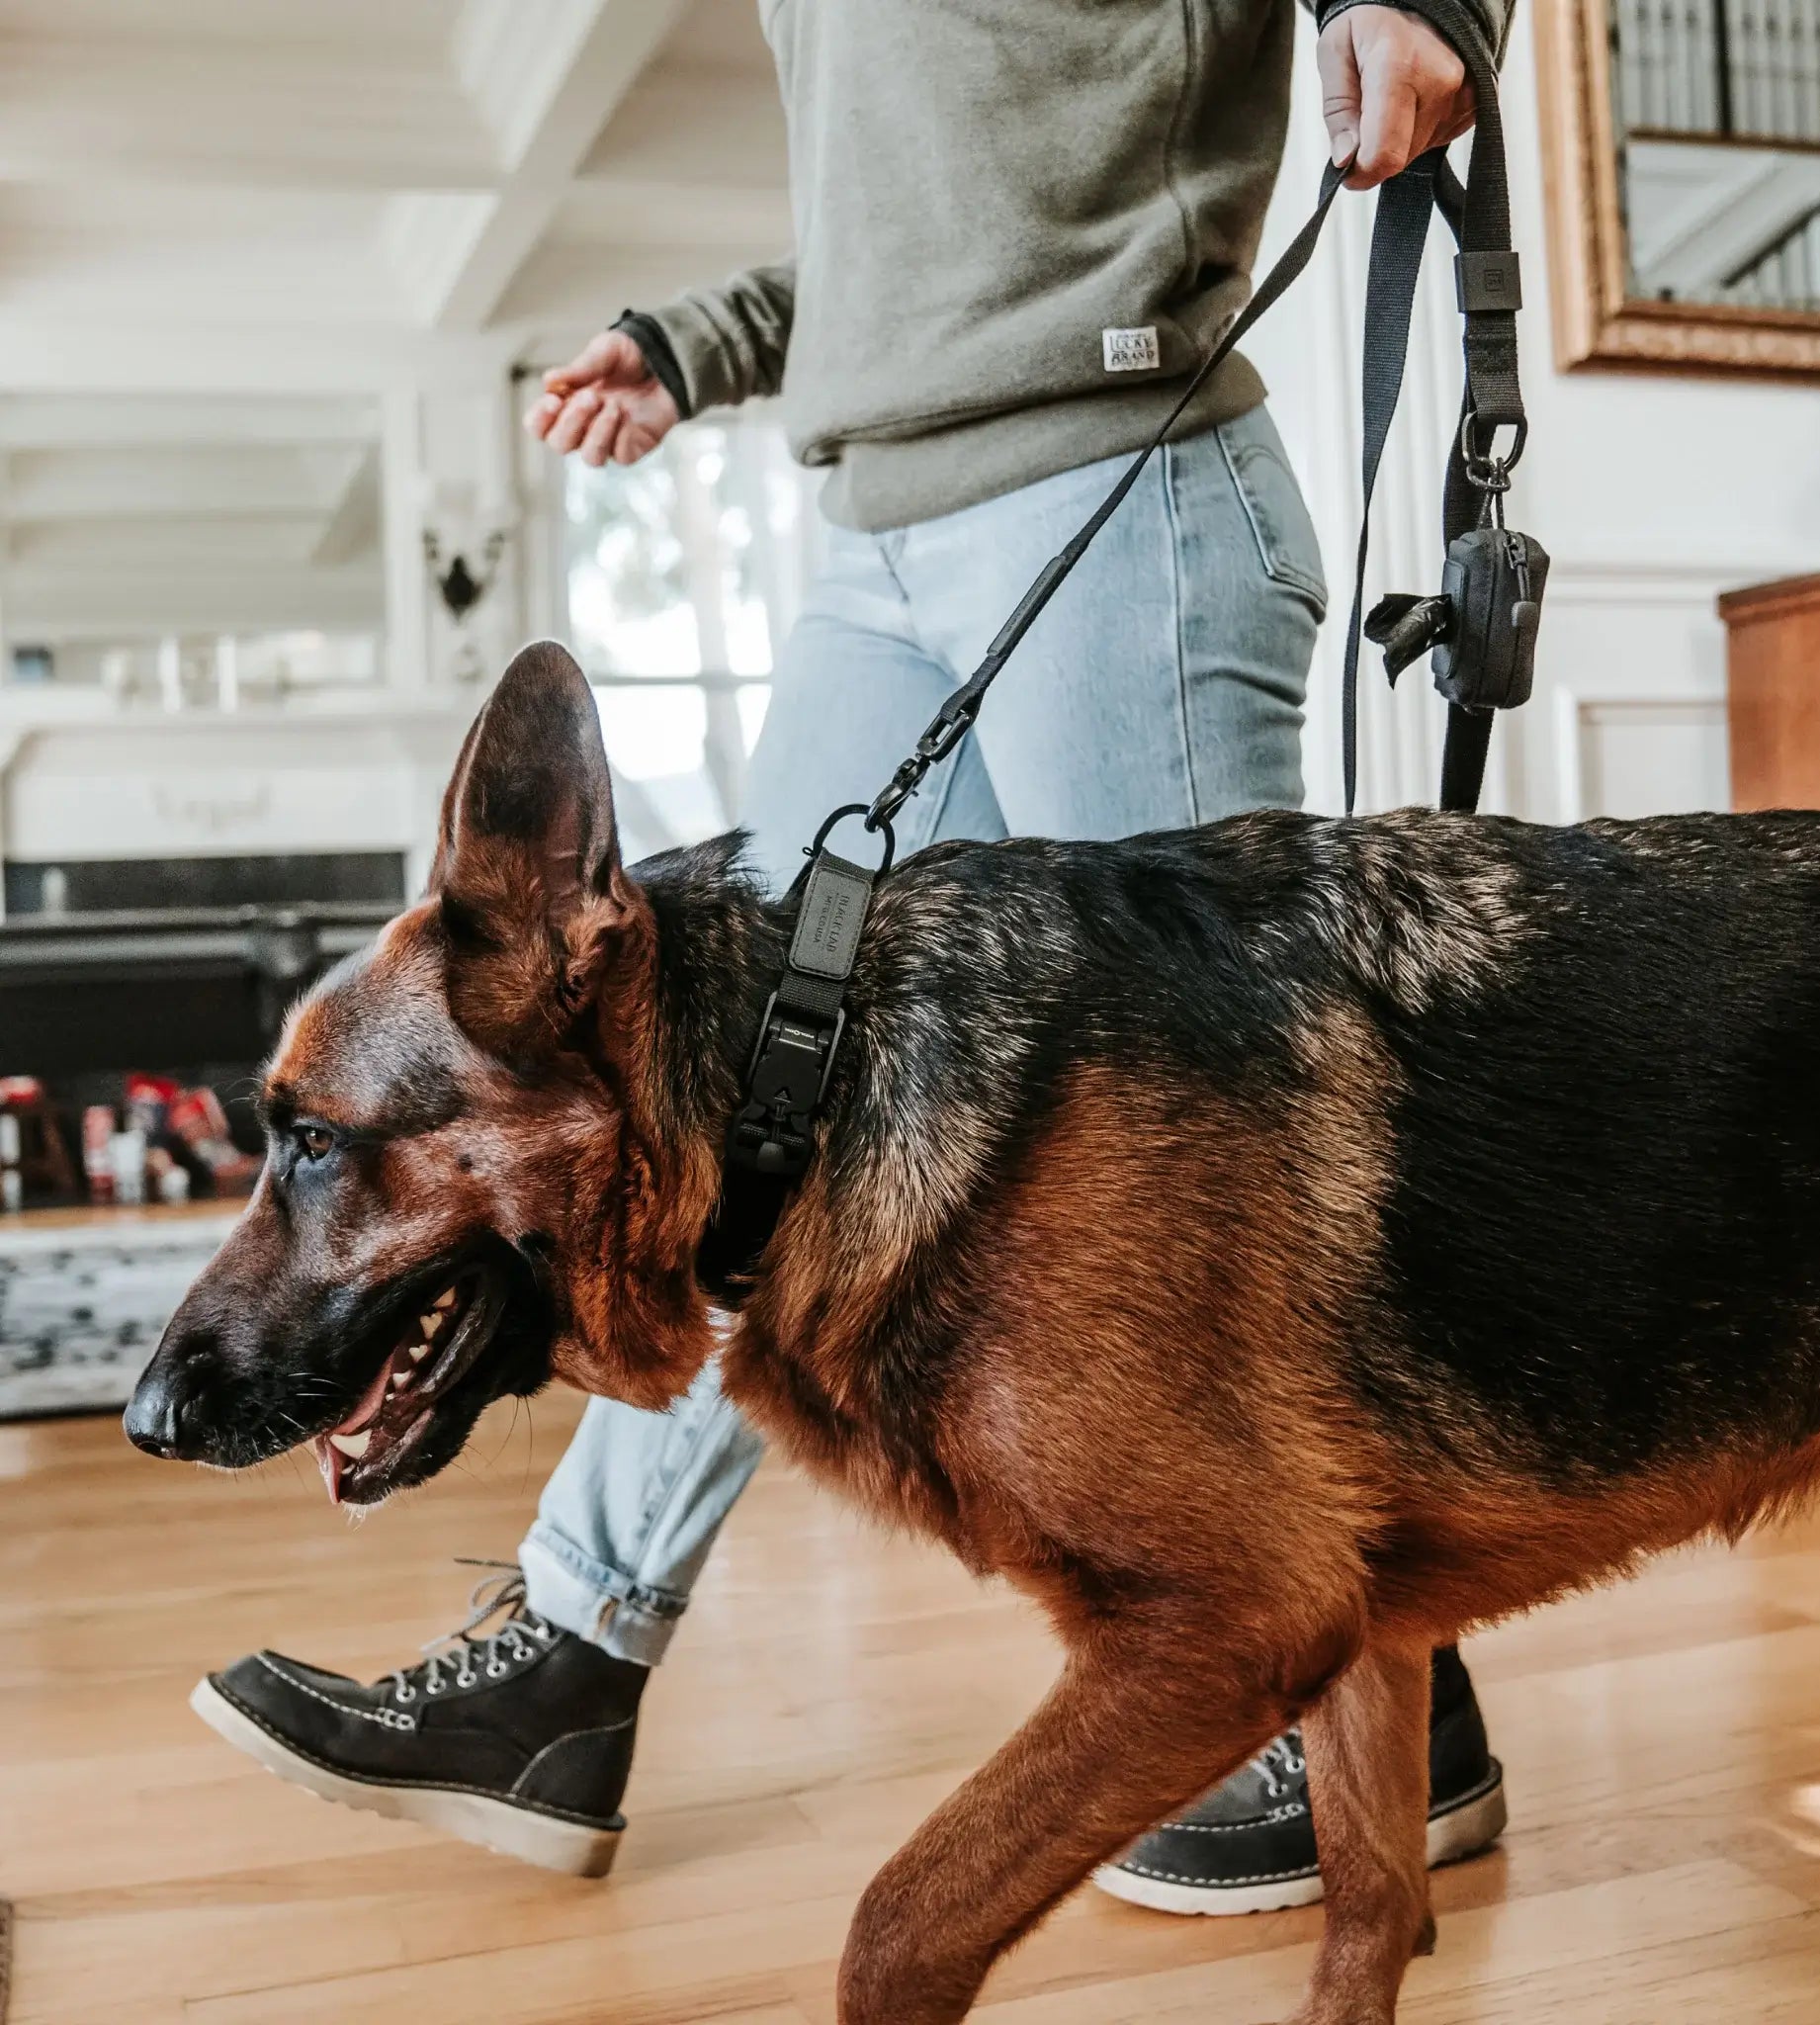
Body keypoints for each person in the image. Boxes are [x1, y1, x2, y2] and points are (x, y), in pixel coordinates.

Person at [196, 0, 1514, 1913]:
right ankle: (569, 1660)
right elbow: (930, 228)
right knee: (715, 1113)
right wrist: (695, 340)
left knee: (1227, 1153)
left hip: (1114, 474)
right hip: (883, 533)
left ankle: (1395, 1713)